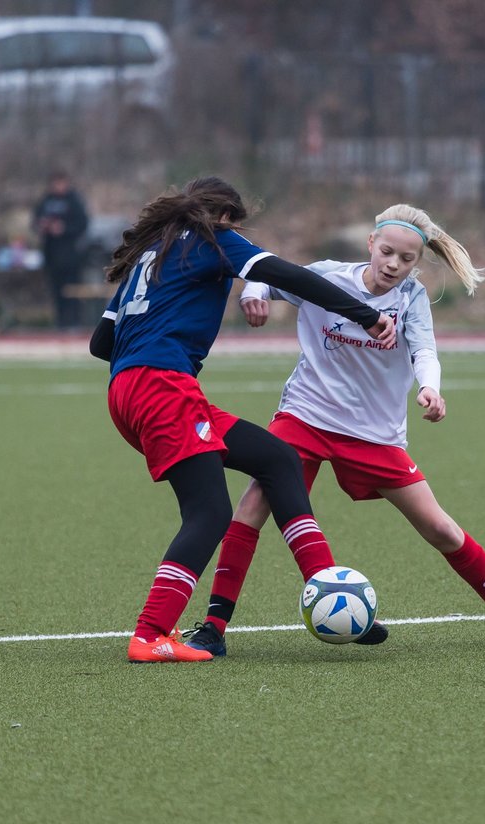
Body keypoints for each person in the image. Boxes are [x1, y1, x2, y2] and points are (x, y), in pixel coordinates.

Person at [180, 203, 485, 658]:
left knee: (441, 529)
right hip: (305, 417)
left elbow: (425, 350)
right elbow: (267, 275)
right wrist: (254, 292)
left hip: (375, 433)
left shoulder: (412, 298)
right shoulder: (327, 276)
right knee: (251, 508)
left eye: (406, 259)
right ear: (370, 243)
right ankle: (213, 627)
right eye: (386, 252)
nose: (393, 265)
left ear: (417, 261)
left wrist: (431, 388)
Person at [88, 176, 395, 663]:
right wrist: (365, 315)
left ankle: (329, 586)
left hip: (130, 390)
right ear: (224, 217)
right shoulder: (212, 239)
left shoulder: (155, 252)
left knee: (276, 458)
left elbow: (100, 344)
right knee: (208, 512)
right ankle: (150, 634)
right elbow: (287, 274)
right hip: (164, 387)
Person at [33, 169, 90, 330]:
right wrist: (42, 226)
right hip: (51, 254)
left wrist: (64, 229)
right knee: (56, 290)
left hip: (70, 255)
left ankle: (74, 322)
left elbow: (83, 224)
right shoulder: (46, 201)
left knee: (71, 290)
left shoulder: (74, 201)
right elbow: (35, 221)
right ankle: (60, 323)